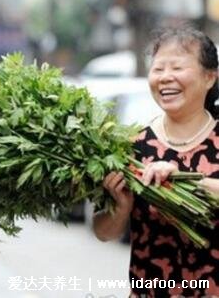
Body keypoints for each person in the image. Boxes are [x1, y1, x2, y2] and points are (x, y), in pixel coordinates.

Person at [93, 26, 219, 297]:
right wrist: (121, 207)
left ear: (209, 77)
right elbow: (103, 233)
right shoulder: (131, 146)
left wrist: (185, 180)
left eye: (177, 68)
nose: (165, 78)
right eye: (158, 69)